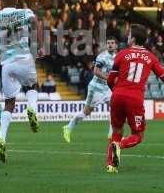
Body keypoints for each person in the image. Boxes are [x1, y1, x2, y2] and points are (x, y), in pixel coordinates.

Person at [0, 0, 44, 163]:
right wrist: (41, 45)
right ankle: (31, 108)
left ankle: (2, 138)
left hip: (6, 64)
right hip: (24, 58)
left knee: (9, 102)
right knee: (33, 86)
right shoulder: (25, 12)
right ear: (16, 2)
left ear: (1, 2)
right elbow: (35, 23)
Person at [106, 24, 164, 173]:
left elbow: (110, 80)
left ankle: (111, 165)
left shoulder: (121, 54)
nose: (127, 36)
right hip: (135, 98)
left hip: (117, 96)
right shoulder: (151, 57)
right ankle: (120, 146)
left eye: (129, 34)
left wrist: (116, 92)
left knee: (116, 130)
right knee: (138, 135)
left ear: (133, 39)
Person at [63, 37, 118, 143]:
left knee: (115, 108)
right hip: (96, 88)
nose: (110, 45)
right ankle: (68, 127)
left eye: (112, 43)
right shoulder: (102, 56)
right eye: (108, 43)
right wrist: (110, 79)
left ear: (116, 45)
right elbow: (96, 71)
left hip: (107, 88)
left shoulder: (117, 57)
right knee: (86, 112)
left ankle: (111, 136)